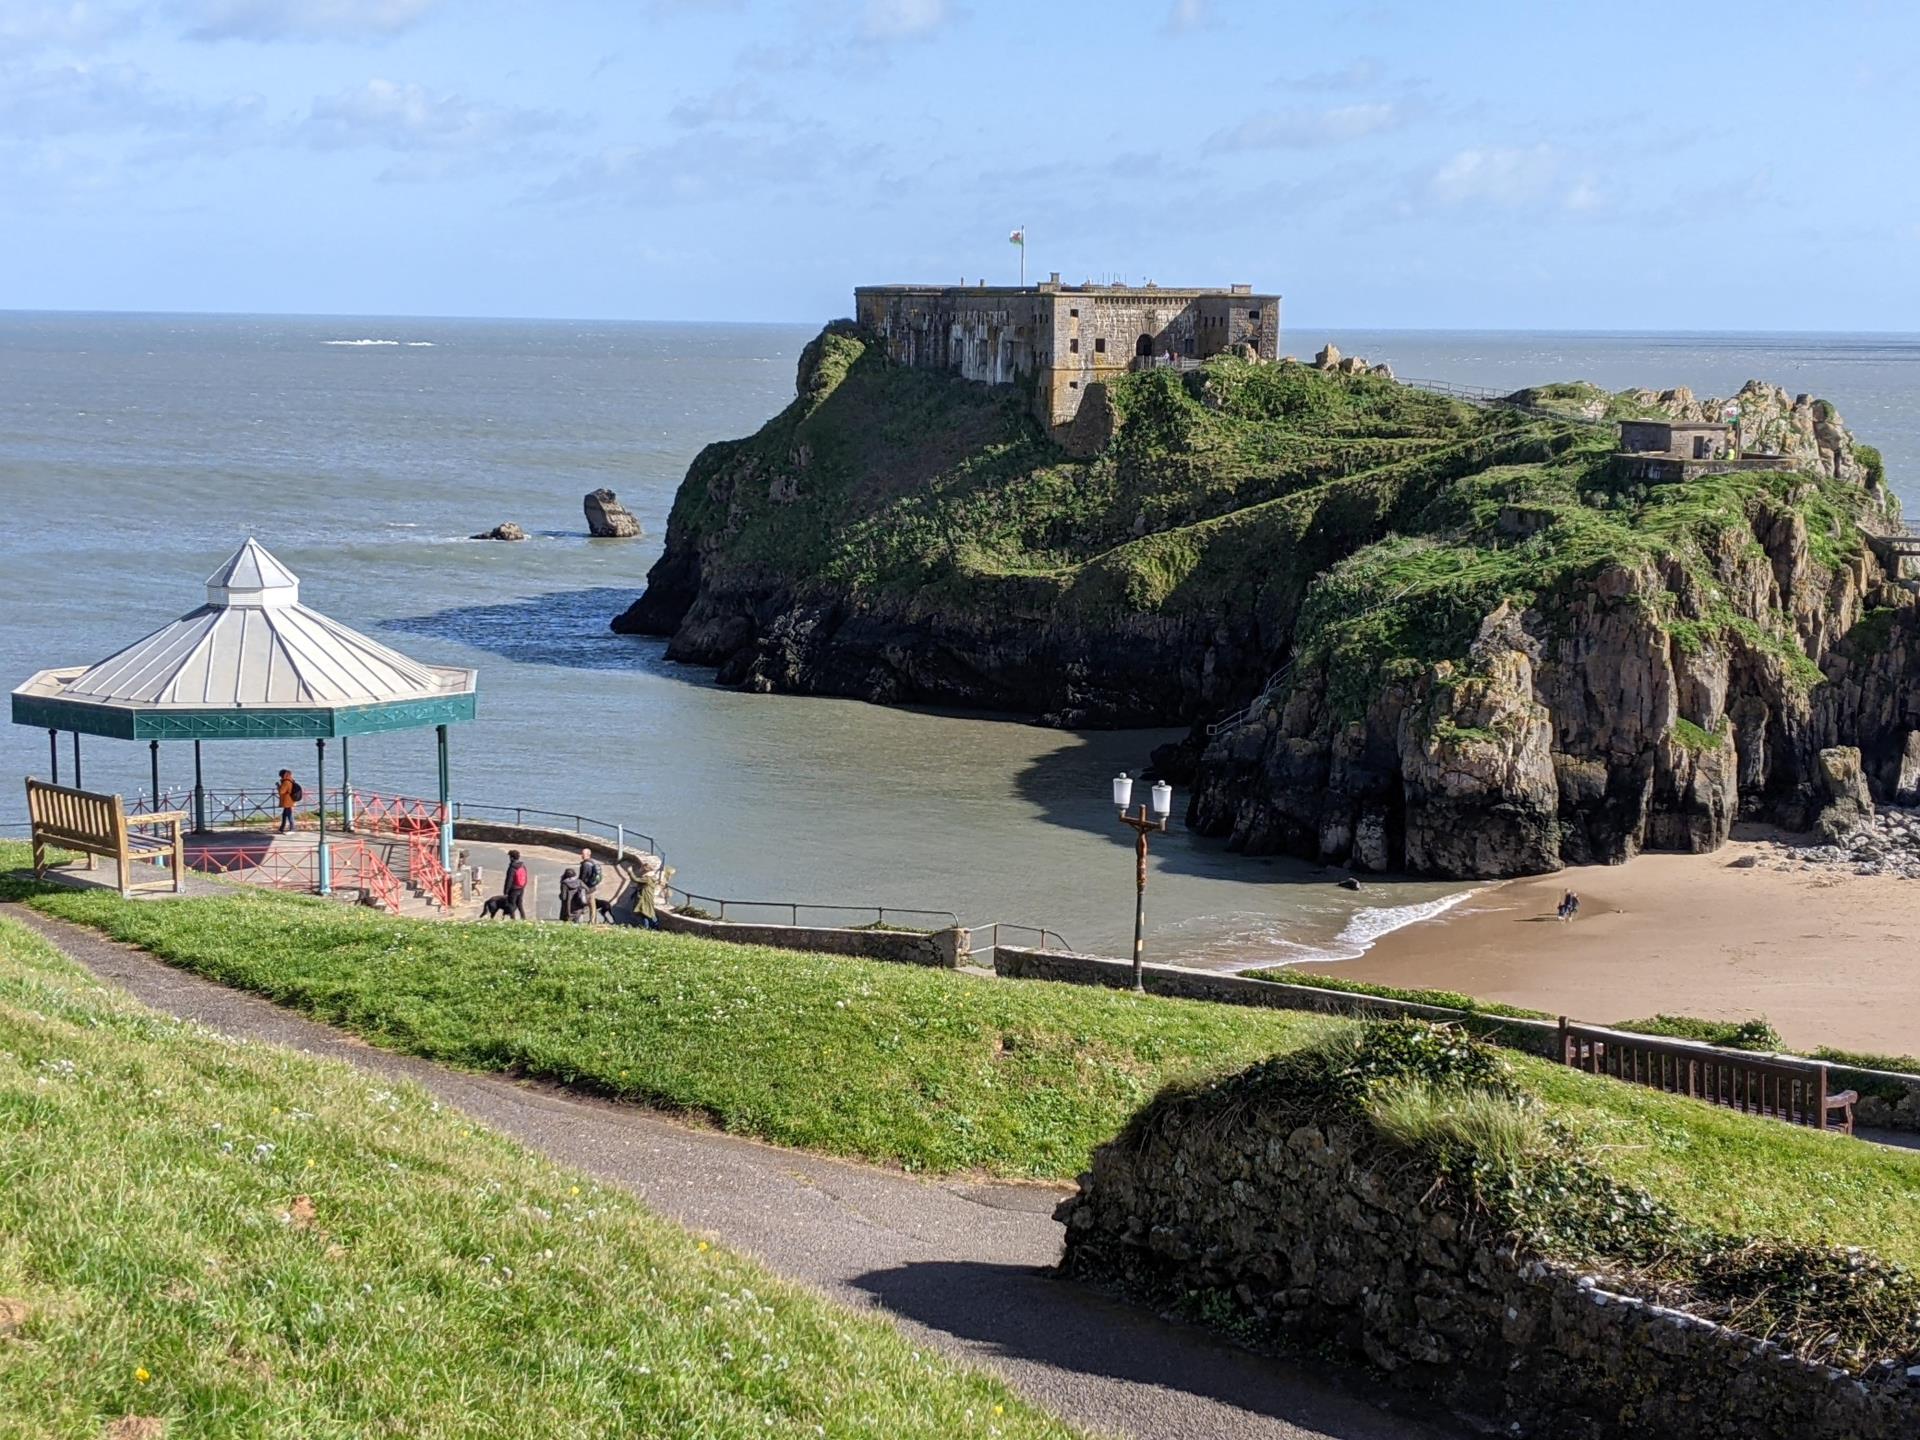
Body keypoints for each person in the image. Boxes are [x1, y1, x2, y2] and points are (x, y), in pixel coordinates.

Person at [577, 847, 603, 924]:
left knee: (582, 903)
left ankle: (580, 920)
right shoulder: (593, 862)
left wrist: (579, 885)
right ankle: (593, 920)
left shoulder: (585, 865)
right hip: (593, 887)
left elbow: (583, 877)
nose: (581, 855)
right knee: (592, 905)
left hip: (586, 888)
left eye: (583, 854)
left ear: (588, 854)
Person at [502, 849, 529, 920]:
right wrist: (523, 886)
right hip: (521, 888)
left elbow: (509, 880)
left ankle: (513, 920)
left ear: (511, 857)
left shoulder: (512, 868)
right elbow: (525, 877)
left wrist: (506, 891)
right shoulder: (522, 865)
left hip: (513, 889)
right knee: (520, 904)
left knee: (511, 905)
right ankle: (523, 918)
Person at [275, 769, 298, 833]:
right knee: (284, 815)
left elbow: (281, 792)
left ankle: (293, 829)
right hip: (289, 801)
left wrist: (278, 786)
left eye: (281, 776)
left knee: (289, 815)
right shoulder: (290, 781)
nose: (281, 777)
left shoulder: (286, 782)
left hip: (288, 801)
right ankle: (281, 828)